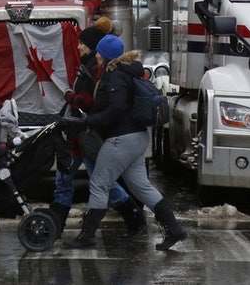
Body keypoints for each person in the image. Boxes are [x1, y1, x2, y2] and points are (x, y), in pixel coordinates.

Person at [63, 35, 187, 251]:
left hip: (122, 138)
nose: (97, 54)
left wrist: (90, 122)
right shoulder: (128, 72)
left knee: (99, 183)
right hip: (137, 137)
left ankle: (87, 236)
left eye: (100, 51)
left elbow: (116, 108)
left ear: (106, 54)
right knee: (141, 187)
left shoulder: (116, 76)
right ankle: (174, 229)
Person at [50, 17, 145, 237]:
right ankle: (57, 226)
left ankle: (131, 217)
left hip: (85, 135)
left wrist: (69, 96)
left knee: (88, 181)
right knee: (72, 179)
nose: (79, 46)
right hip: (82, 134)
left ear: (94, 47)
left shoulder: (95, 70)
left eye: (82, 43)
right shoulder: (90, 67)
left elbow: (91, 101)